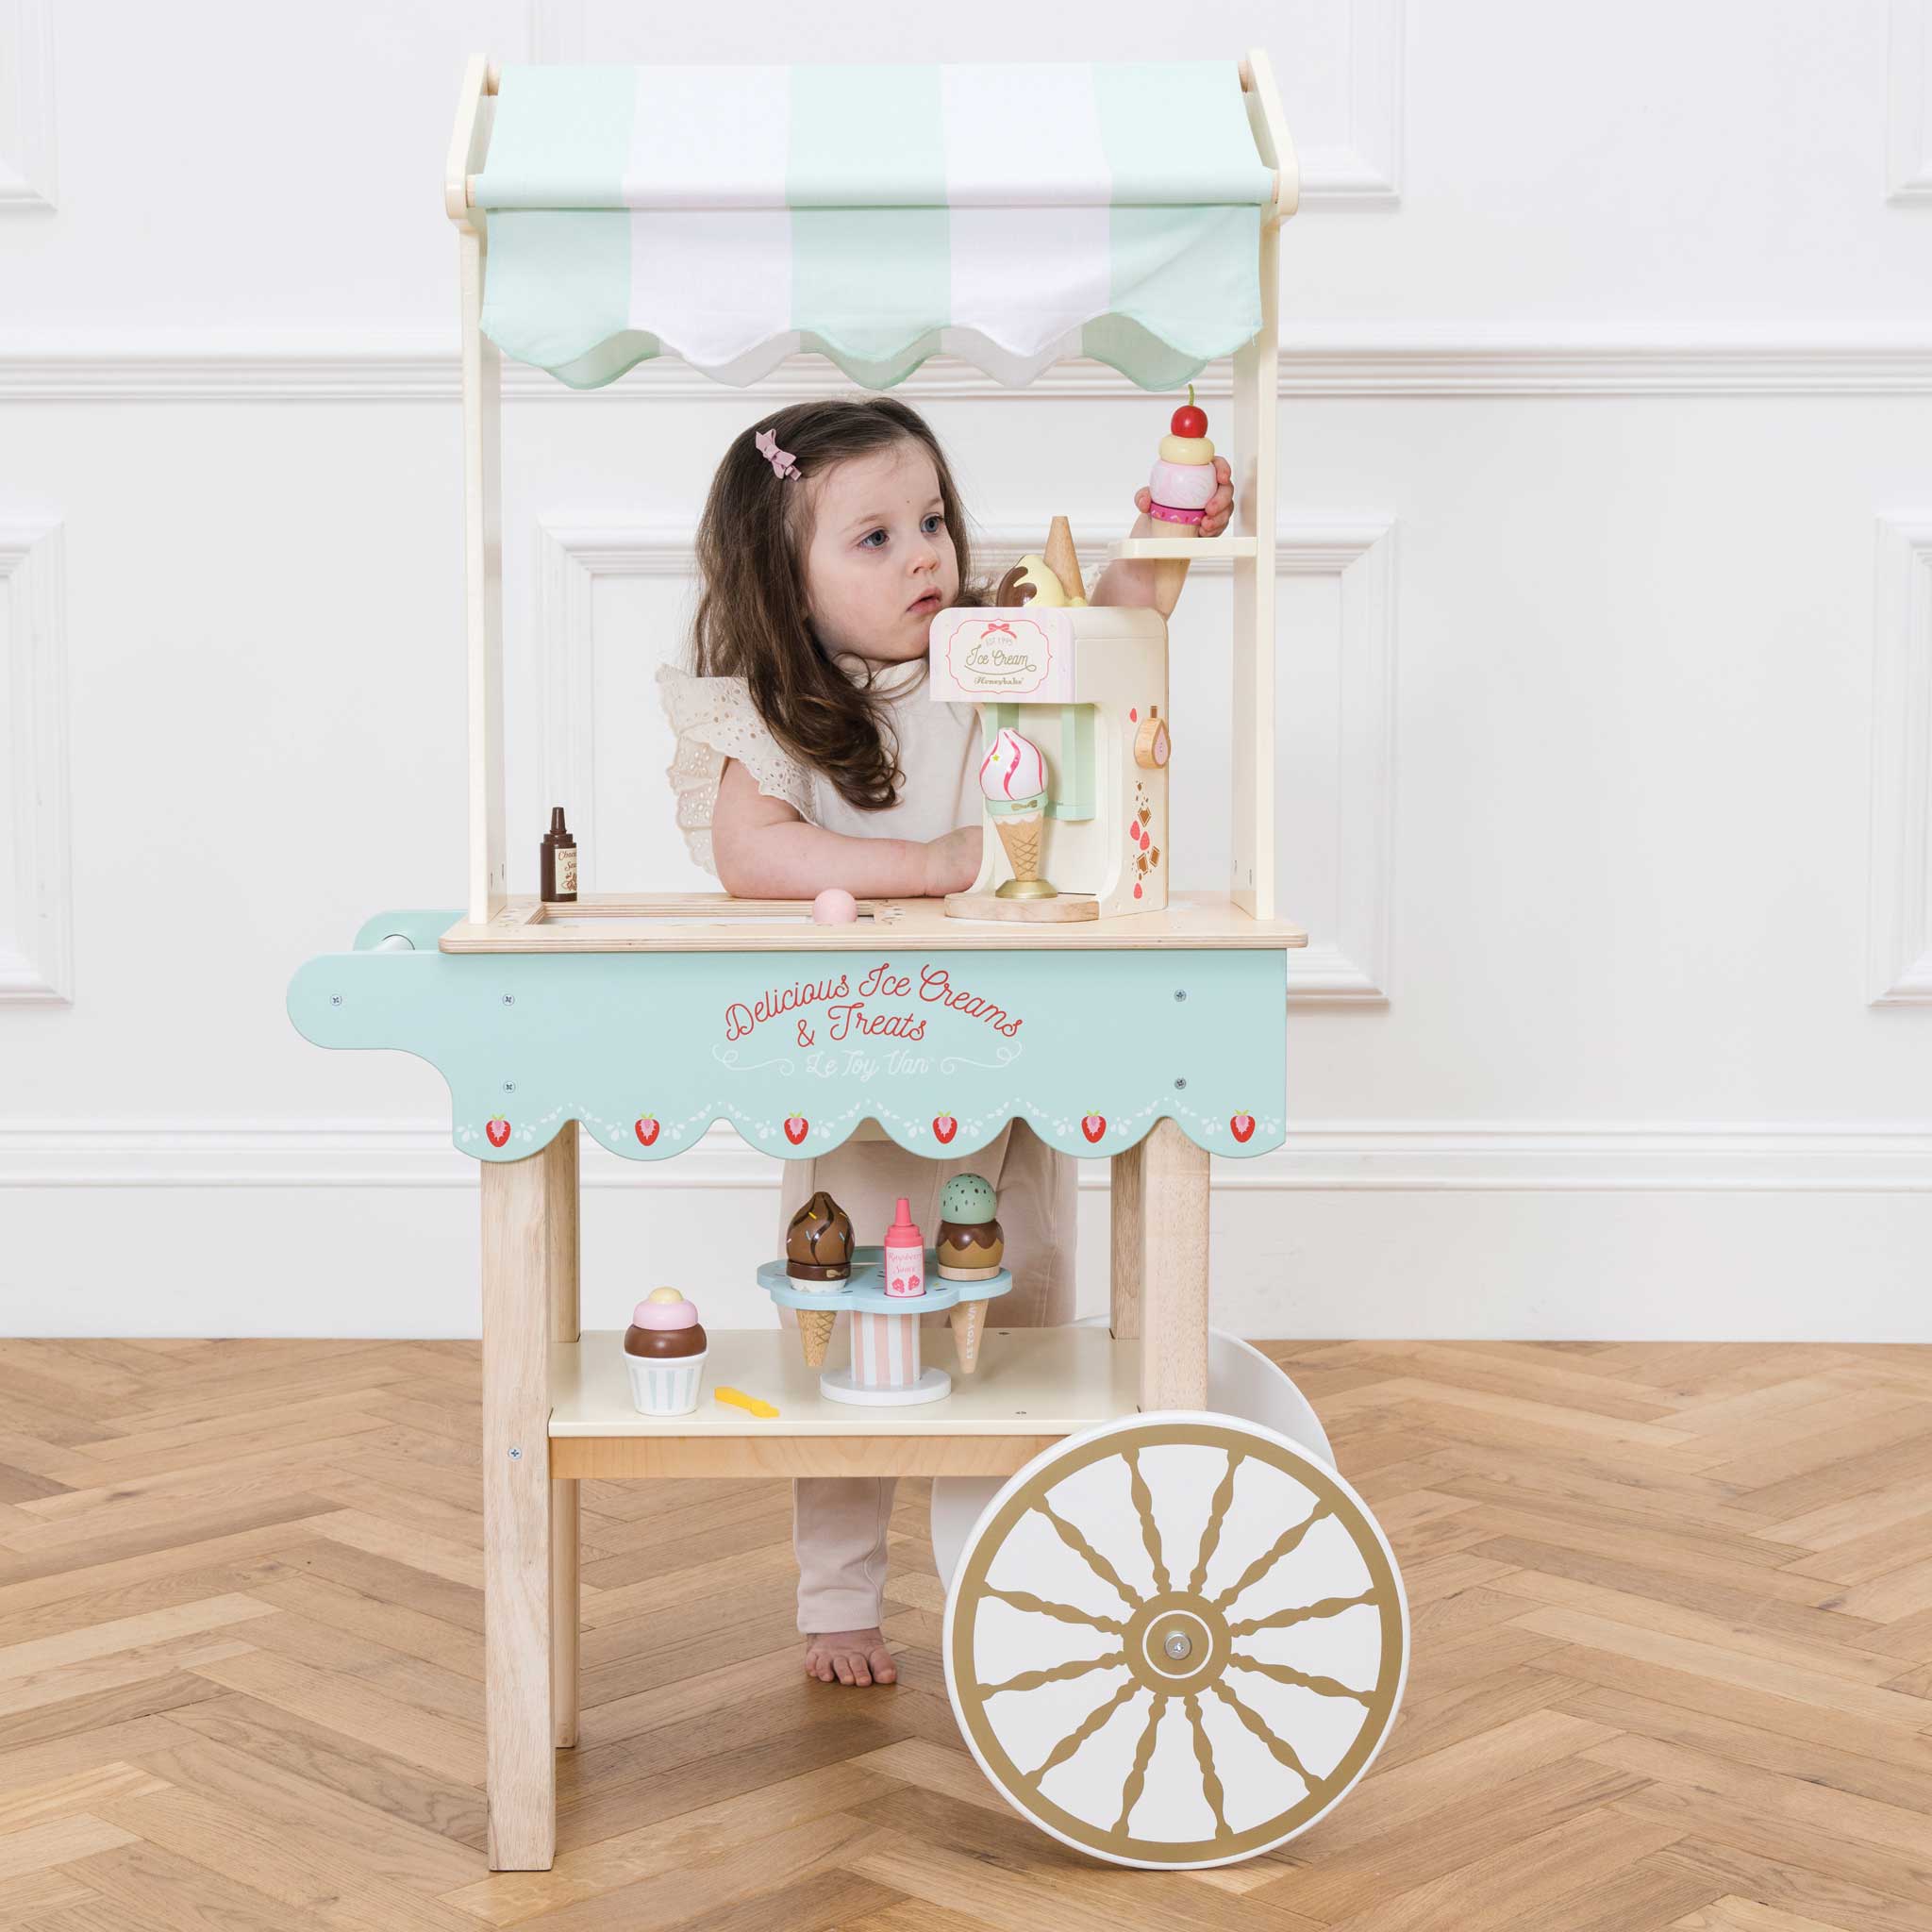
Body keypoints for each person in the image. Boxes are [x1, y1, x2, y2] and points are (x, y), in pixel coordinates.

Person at [658, 394, 1234, 1687]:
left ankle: (1031, 1595)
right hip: (851, 1090)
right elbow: (753, 854)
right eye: (872, 538)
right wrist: (932, 864)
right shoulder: (776, 711)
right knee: (854, 1345)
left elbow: (1114, 623)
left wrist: (1171, 528)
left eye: (930, 518)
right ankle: (840, 1605)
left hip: (1009, 1082)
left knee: (1023, 1345)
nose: (923, 552)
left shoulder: (993, 647)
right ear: (784, 581)